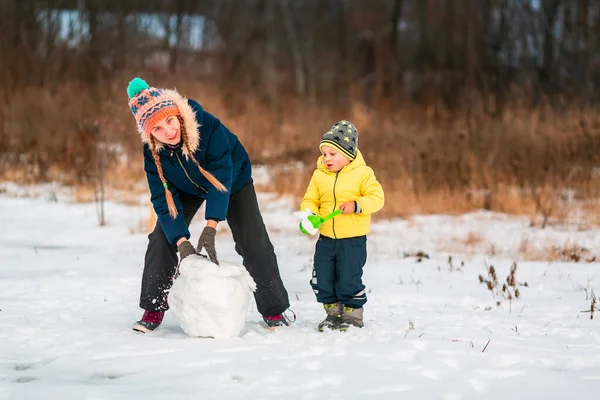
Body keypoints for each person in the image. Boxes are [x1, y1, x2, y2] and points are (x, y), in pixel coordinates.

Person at [126, 77, 290, 333]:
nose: (167, 131)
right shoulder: (153, 152)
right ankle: (153, 308)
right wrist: (182, 242)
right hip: (185, 187)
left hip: (231, 179)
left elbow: (221, 176)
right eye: (157, 128)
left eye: (169, 121)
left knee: (253, 239)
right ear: (149, 133)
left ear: (177, 114)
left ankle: (274, 310)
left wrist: (211, 226)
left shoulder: (207, 126)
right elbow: (161, 197)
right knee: (162, 237)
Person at [299, 120, 384, 331]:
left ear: (348, 154)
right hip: (327, 238)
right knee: (322, 277)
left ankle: (353, 314)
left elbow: (377, 198)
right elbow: (310, 199)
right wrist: (309, 214)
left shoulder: (363, 174)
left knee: (348, 277)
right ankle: (333, 313)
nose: (326, 158)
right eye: (324, 154)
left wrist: (357, 205)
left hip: (353, 240)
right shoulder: (319, 175)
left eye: (332, 154)